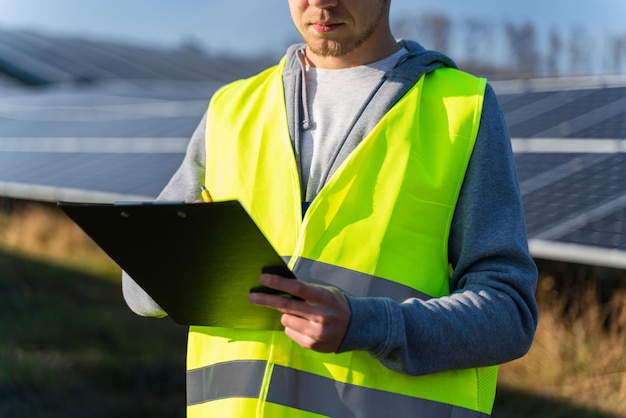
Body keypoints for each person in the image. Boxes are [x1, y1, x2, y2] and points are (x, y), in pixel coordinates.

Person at [122, 0, 538, 416]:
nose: (321, 1)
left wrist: (370, 325)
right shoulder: (231, 109)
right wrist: (177, 260)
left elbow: (509, 313)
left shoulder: (462, 109)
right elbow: (139, 290)